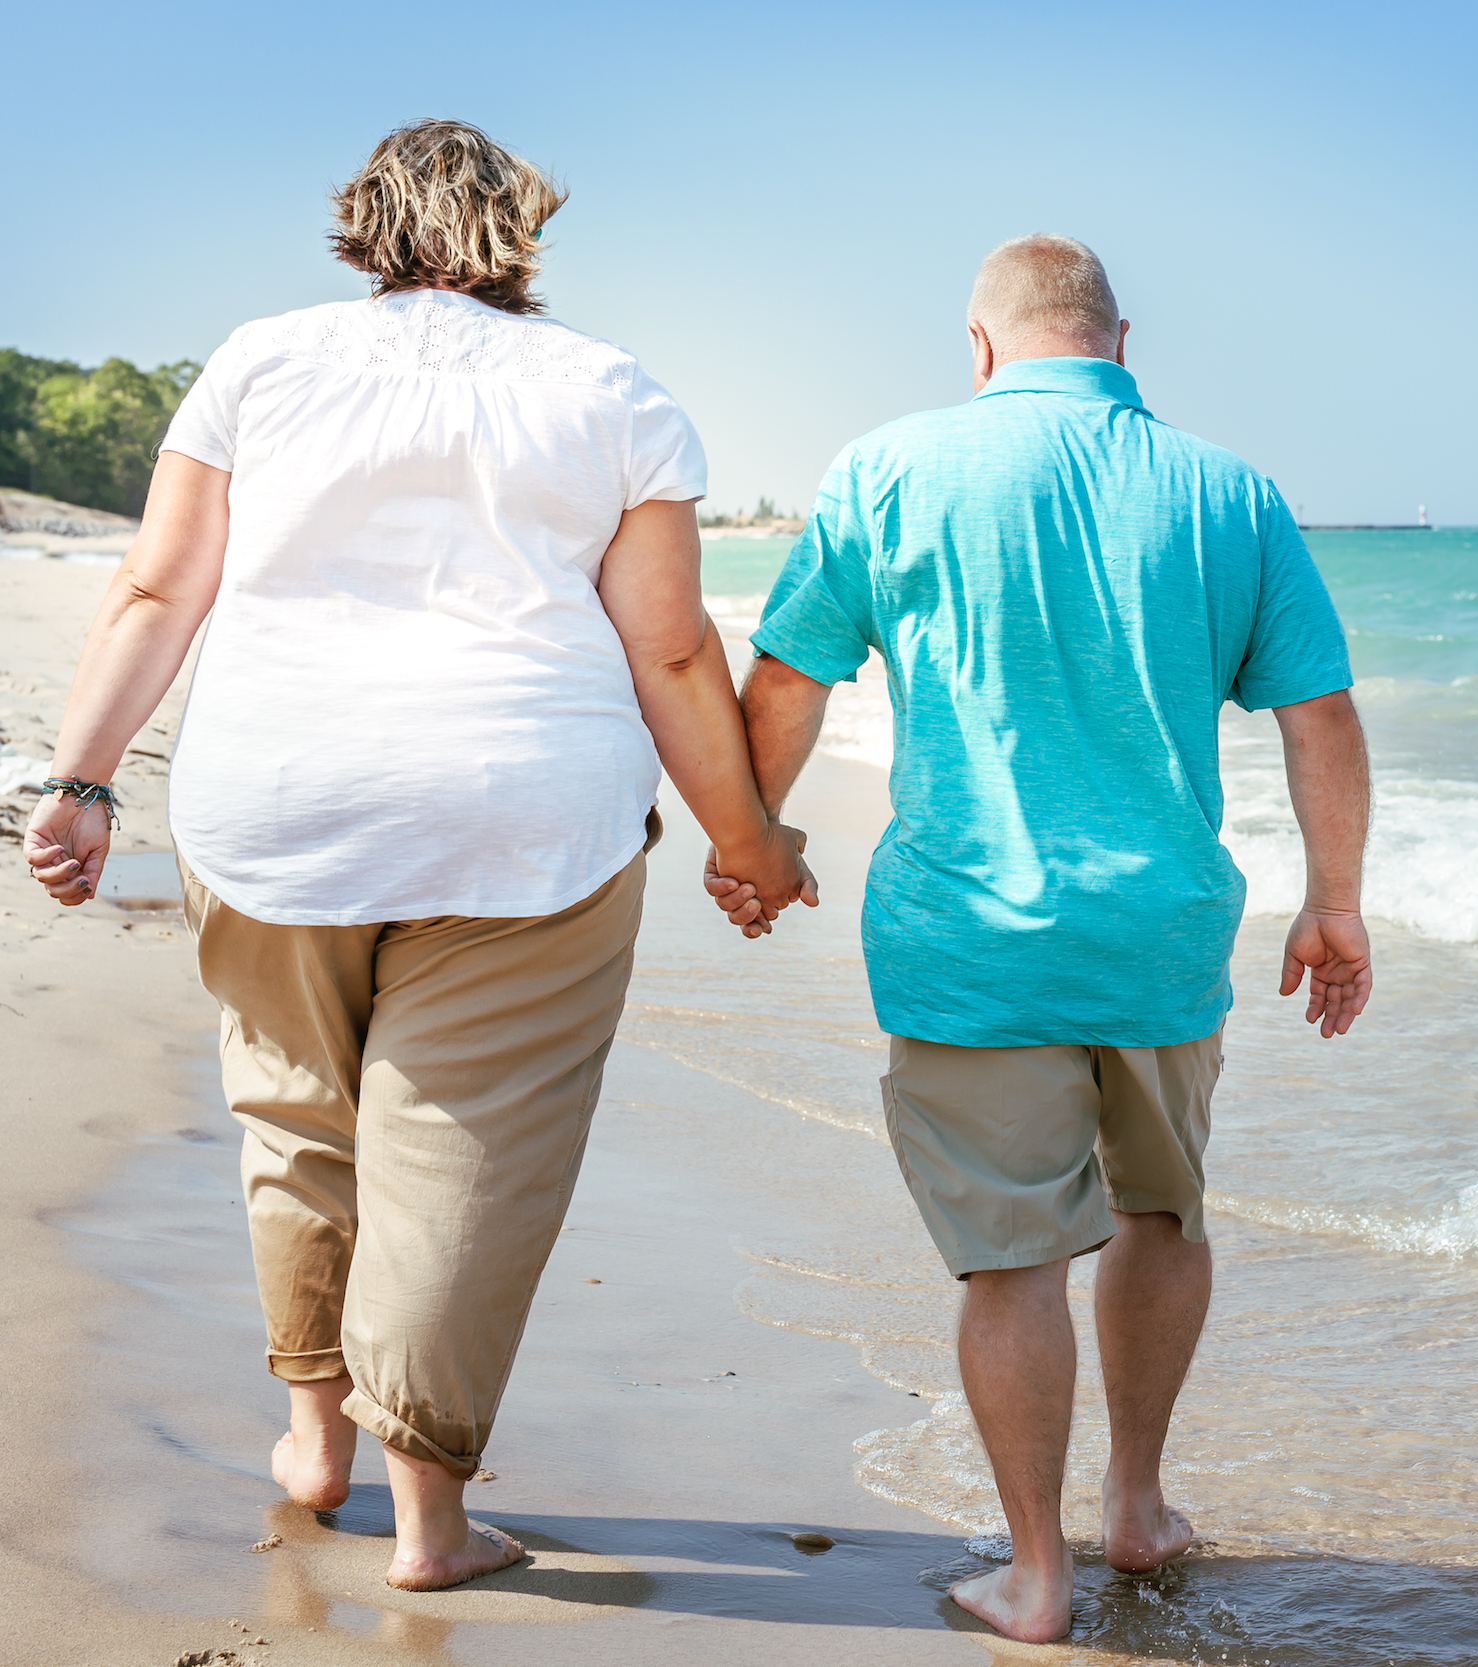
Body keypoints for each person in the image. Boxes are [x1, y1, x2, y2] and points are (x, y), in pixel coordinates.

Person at [21, 119, 811, 1591]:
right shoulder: (610, 388)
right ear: (522, 230)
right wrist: (746, 840)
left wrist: (79, 781)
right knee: (466, 1151)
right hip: (526, 818)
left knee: (298, 1122)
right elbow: (673, 648)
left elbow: (157, 586)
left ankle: (316, 1441)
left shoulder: (258, 359)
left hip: (273, 803)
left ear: (360, 224)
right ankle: (433, 1523)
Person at [712, 233, 1371, 1642]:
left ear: (979, 346)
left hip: (971, 939)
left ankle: (1036, 1571)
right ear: (1123, 346)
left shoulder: (887, 470)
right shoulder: (1228, 489)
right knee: (1163, 1212)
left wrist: (752, 838)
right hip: (1161, 936)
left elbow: (786, 678)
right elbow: (1318, 712)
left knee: (1011, 1260)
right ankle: (1134, 1501)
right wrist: (1335, 899)